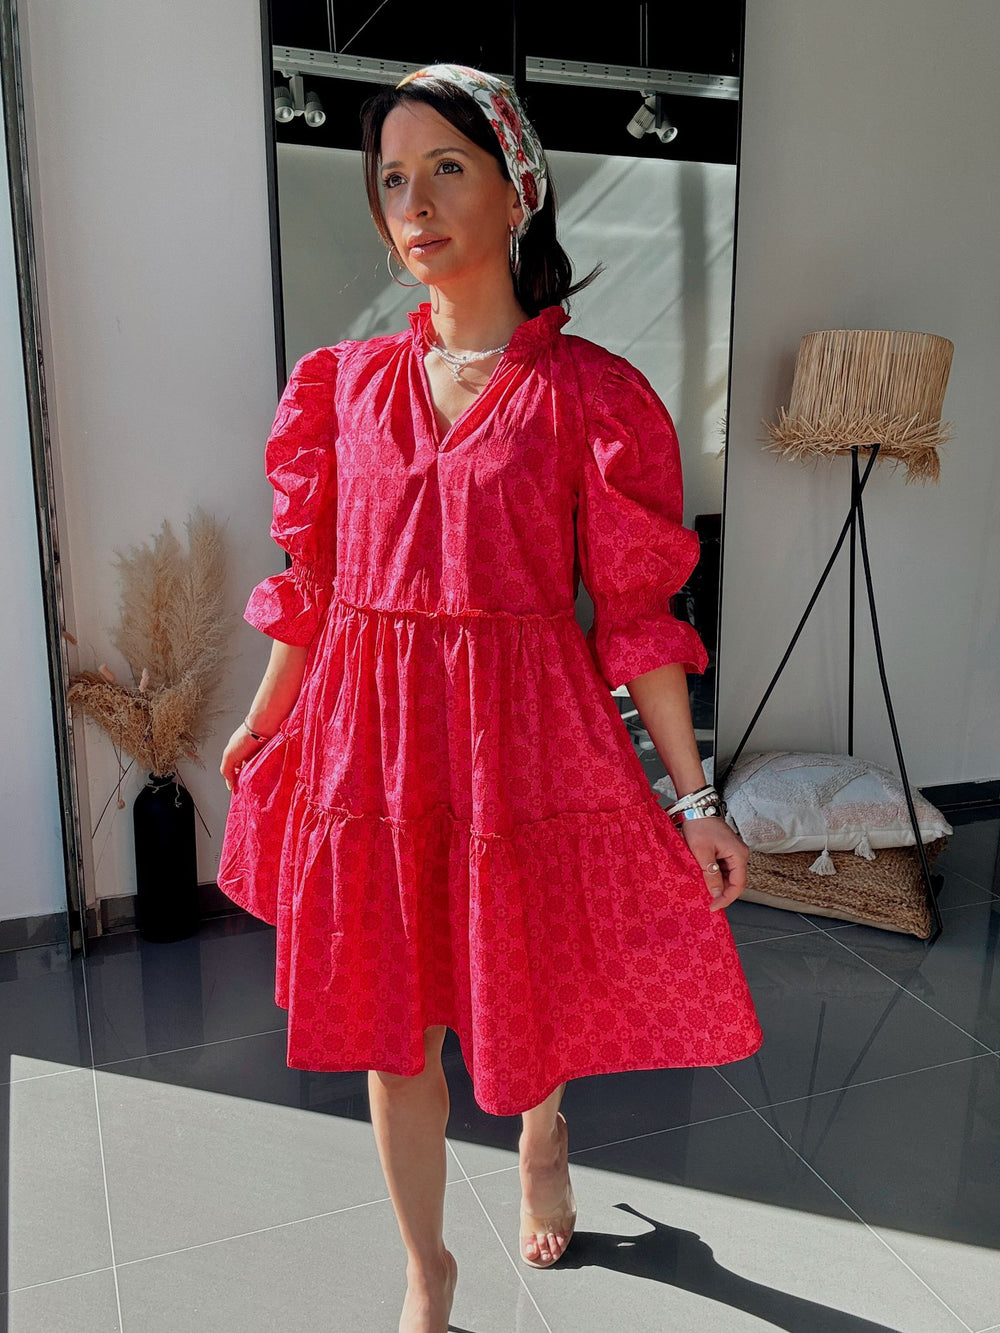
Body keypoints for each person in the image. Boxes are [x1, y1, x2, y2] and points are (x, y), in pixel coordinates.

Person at [218, 62, 763, 1333]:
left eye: (446, 168)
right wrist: (265, 715)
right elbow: (315, 583)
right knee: (391, 1023)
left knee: (524, 970)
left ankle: (541, 1130)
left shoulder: (591, 396)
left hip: (524, 734)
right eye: (392, 179)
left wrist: (696, 799)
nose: (413, 202)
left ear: (517, 189)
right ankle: (428, 1269)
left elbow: (636, 616)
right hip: (371, 742)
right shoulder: (340, 386)